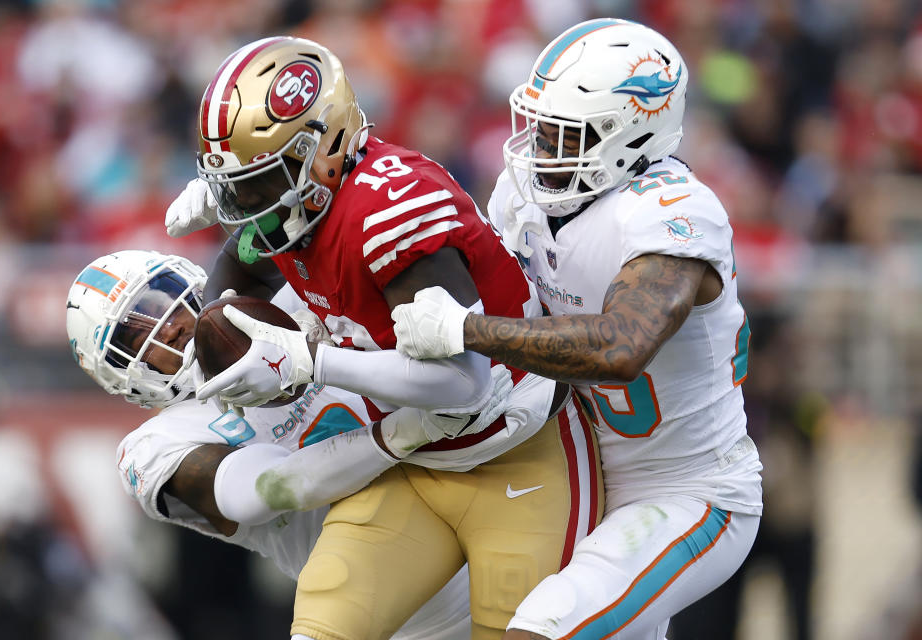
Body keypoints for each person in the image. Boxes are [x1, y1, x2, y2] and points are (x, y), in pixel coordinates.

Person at [164, 36, 603, 640]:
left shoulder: (388, 209)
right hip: (417, 463)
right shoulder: (303, 209)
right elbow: (244, 260)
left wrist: (311, 361)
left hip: (517, 449)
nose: (246, 206)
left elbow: (464, 383)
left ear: (325, 149)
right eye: (235, 187)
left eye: (258, 184)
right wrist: (221, 312)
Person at [390, 18, 764, 640]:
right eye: (537, 128)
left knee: (540, 629)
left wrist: (466, 328)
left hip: (686, 491)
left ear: (630, 135)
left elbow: (620, 346)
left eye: (563, 135)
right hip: (572, 476)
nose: (539, 150)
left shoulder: (670, 213)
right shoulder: (528, 194)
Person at [65, 248, 516, 639]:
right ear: (117, 372)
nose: (165, 325)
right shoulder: (156, 444)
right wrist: (404, 431)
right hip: (407, 618)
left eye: (161, 298)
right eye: (134, 332)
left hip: (488, 513)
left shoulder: (284, 304)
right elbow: (263, 490)